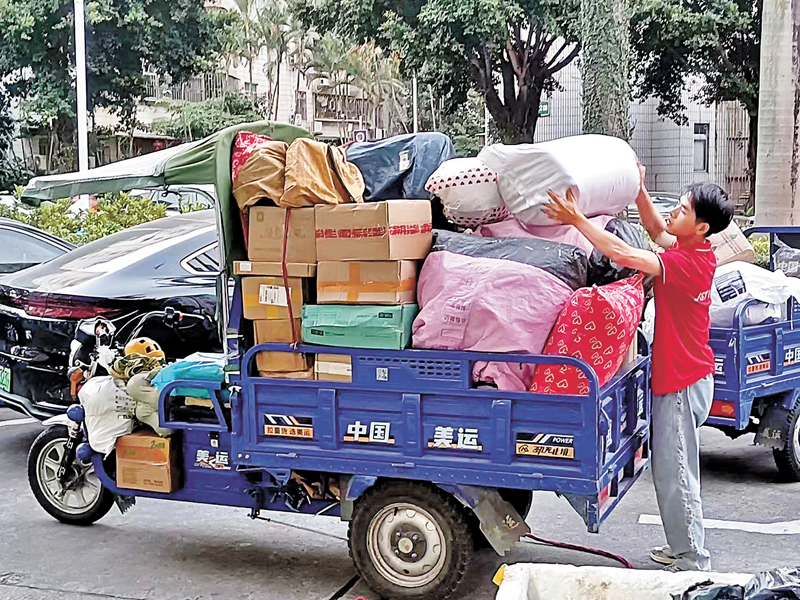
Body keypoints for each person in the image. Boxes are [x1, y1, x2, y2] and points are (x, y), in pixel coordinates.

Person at [543, 167, 733, 572]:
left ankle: (692, 559)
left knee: (676, 472)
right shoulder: (693, 249)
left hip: (682, 383)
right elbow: (654, 228)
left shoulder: (686, 263)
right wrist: (639, 188)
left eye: (682, 209)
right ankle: (682, 546)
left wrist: (576, 220)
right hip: (687, 376)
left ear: (701, 227)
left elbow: (627, 255)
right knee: (671, 469)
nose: (673, 212)